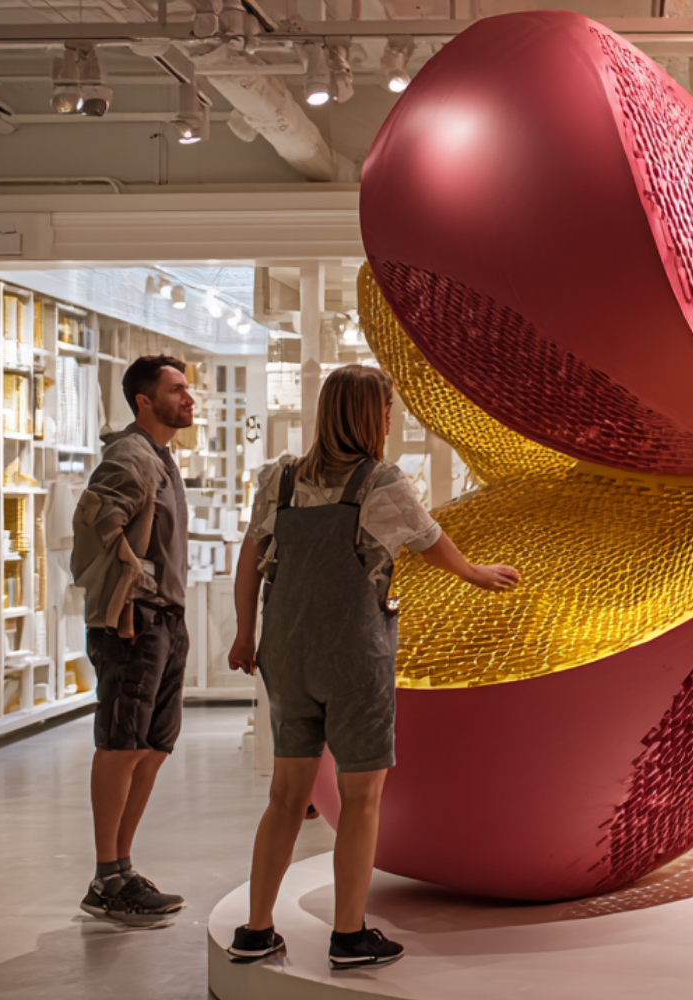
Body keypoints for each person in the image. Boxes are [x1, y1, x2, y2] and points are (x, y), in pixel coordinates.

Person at [223, 365, 520, 969]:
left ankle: (255, 931)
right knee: (360, 799)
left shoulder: (278, 480)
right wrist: (473, 573)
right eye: (387, 409)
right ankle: (349, 935)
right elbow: (429, 539)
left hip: (286, 651)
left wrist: (244, 634)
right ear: (371, 416)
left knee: (285, 797)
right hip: (353, 656)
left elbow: (251, 559)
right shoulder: (380, 482)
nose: (391, 419)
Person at [69, 355, 197, 926]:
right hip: (135, 621)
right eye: (176, 389)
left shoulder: (162, 458)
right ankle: (108, 875)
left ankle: (117, 871)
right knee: (121, 743)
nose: (188, 398)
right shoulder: (130, 455)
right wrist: (138, 584)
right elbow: (97, 522)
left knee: (152, 746)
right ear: (145, 400)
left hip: (166, 620)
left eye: (187, 388)